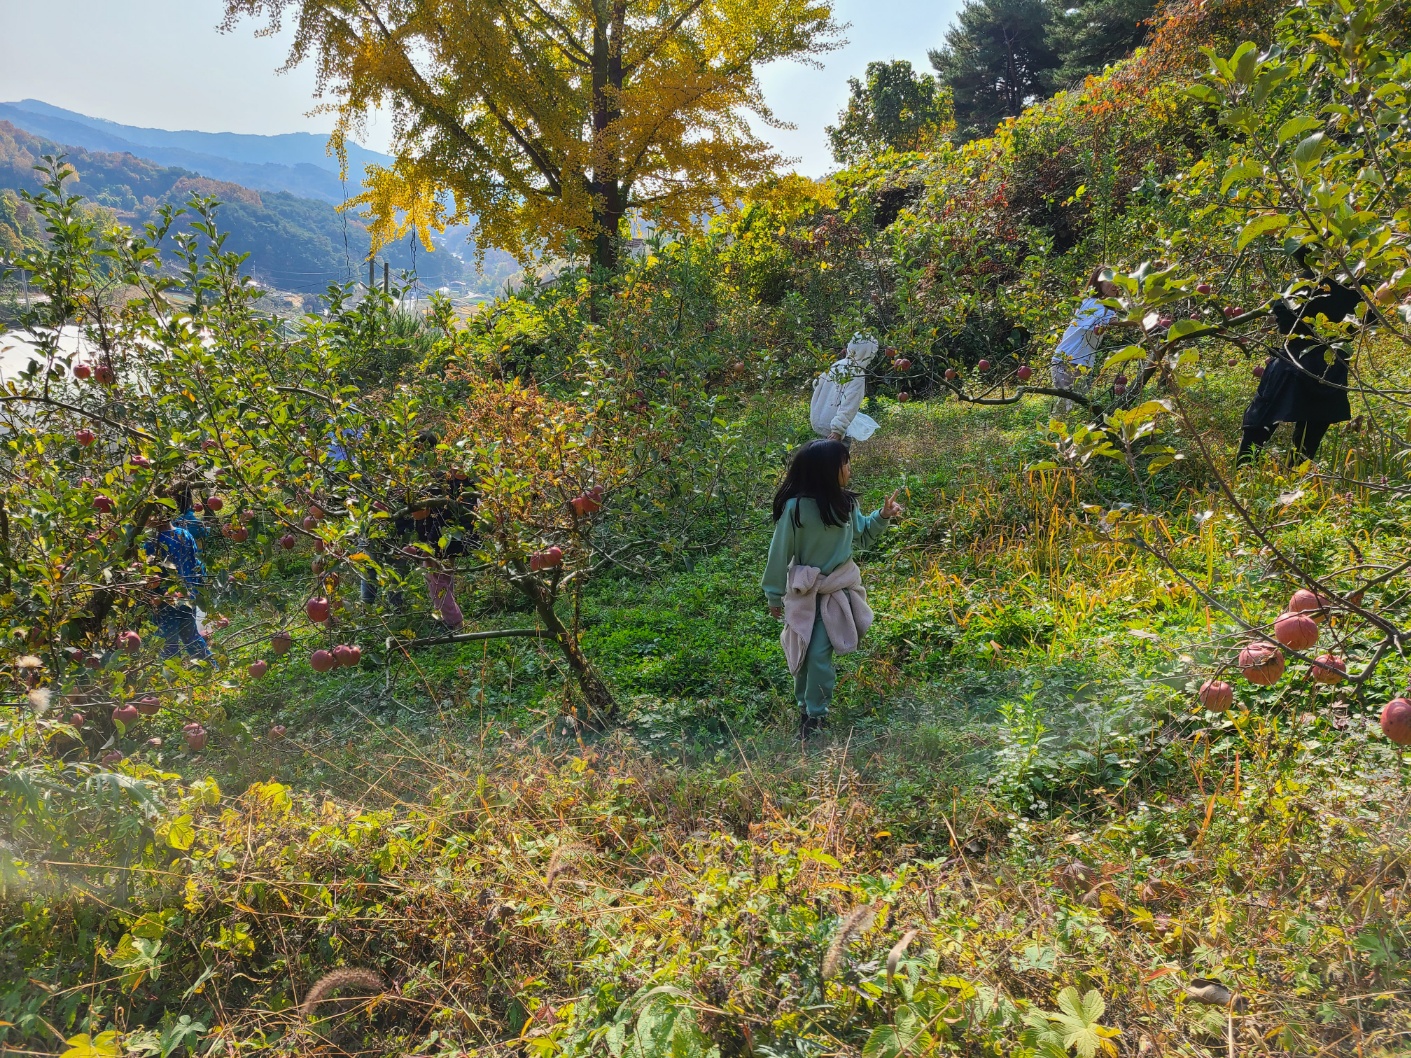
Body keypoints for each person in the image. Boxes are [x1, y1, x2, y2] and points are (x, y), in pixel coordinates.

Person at [762, 439, 904, 739]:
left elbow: (863, 537)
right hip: (803, 592)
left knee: (818, 655)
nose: (849, 470)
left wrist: (882, 516)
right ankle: (804, 707)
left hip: (836, 592)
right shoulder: (796, 508)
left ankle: (816, 716)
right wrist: (774, 595)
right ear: (826, 471)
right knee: (801, 652)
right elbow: (779, 552)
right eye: (845, 464)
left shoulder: (846, 503)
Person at [1237, 251, 1363, 465]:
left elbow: (1284, 321)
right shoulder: (1356, 285)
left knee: (1260, 420)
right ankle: (1296, 472)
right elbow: (1367, 318)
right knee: (1314, 425)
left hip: (1294, 361)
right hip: (1332, 362)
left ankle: (1243, 469)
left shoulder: (1300, 283)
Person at [144, 505, 214, 663]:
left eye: (147, 515)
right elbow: (195, 563)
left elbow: (150, 576)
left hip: (166, 601)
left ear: (156, 516)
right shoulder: (185, 534)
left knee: (168, 643)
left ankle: (173, 679)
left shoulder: (152, 544)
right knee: (191, 636)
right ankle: (211, 668)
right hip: (188, 596)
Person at [1051, 266, 1123, 410]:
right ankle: (1055, 432)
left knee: (1077, 407)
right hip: (1067, 361)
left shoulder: (1101, 305)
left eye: (1117, 280)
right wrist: (1144, 322)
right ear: (1098, 284)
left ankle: (1067, 431)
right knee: (1066, 406)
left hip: (1082, 363)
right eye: (1109, 280)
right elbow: (1114, 322)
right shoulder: (1094, 304)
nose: (1115, 285)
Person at [810, 334, 882, 444]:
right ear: (866, 352)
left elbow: (817, 385)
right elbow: (849, 404)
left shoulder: (837, 365)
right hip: (834, 432)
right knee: (837, 461)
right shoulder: (857, 375)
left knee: (822, 459)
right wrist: (838, 429)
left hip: (822, 422)